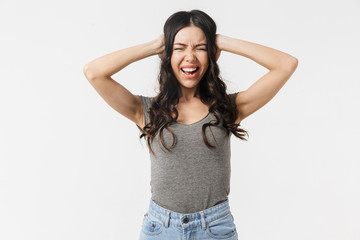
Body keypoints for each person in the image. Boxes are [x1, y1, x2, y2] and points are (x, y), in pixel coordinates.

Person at [83, 9, 298, 240]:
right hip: (160, 229)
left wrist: (220, 41)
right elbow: (94, 72)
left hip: (215, 229)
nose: (190, 57)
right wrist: (155, 44)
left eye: (200, 48)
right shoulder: (146, 111)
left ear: (212, 54)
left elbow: (286, 64)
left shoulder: (228, 108)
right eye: (180, 47)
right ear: (167, 54)